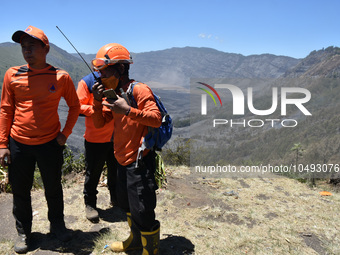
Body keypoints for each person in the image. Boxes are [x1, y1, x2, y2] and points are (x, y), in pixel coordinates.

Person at [0, 26, 80, 254]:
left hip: (49, 144)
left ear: (46, 49)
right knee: (20, 191)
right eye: (23, 47)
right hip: (19, 143)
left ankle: (57, 226)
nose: (27, 51)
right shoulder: (12, 75)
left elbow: (74, 106)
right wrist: (2, 144)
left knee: (53, 187)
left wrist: (65, 134)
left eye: (32, 46)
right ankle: (24, 232)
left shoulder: (61, 77)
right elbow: (6, 109)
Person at [91, 43, 162, 255]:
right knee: (127, 206)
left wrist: (128, 110)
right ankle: (134, 242)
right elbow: (99, 122)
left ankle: (151, 251)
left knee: (143, 211)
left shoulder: (138, 90)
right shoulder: (114, 93)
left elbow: (156, 119)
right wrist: (96, 101)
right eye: (100, 71)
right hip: (121, 159)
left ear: (121, 69)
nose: (100, 75)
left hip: (139, 161)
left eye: (105, 70)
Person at [77, 72, 118, 223]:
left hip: (117, 136)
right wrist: (98, 109)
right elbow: (78, 106)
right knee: (93, 172)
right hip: (96, 137)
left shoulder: (116, 79)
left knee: (116, 170)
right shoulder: (86, 82)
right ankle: (90, 204)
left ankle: (116, 198)